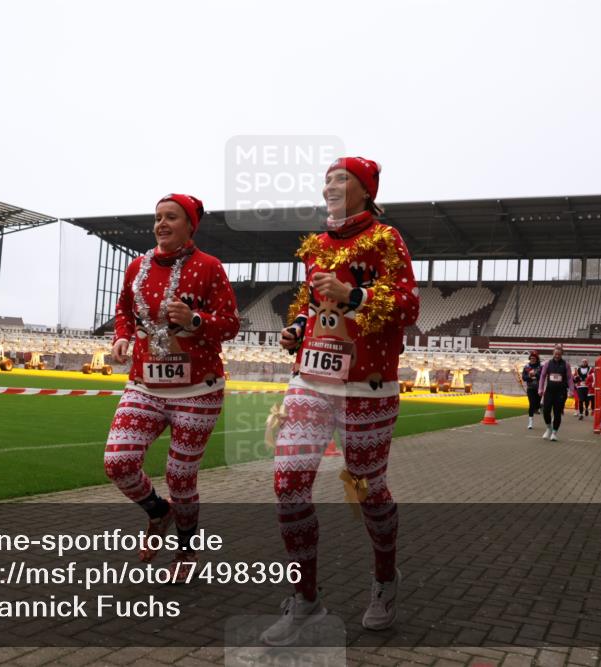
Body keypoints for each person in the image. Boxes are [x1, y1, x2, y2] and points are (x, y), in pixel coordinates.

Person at [262, 156, 420, 645]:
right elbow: (313, 310)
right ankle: (306, 598)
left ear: (365, 189)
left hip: (367, 387)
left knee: (369, 492)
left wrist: (354, 295)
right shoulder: (315, 246)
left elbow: (409, 305)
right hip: (310, 380)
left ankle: (385, 578)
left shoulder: (386, 239)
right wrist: (296, 332)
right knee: (288, 482)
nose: (330, 185)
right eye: (327, 178)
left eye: (341, 178)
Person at [104, 193, 240, 581]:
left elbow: (230, 324)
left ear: (190, 225)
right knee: (118, 462)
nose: (161, 224)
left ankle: (185, 548)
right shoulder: (136, 267)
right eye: (158, 217)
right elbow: (123, 312)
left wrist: (196, 321)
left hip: (198, 389)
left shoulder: (210, 267)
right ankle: (157, 512)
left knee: (181, 477)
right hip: (145, 384)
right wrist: (122, 337)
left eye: (171, 217)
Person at [538, 344, 576, 441]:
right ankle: (548, 428)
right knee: (546, 411)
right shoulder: (547, 364)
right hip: (549, 391)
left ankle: (554, 432)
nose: (557, 356)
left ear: (562, 354)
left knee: (557, 413)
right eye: (556, 354)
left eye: (559, 354)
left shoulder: (566, 365)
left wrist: (571, 390)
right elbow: (542, 376)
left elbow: (569, 378)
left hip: (560, 392)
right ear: (553, 353)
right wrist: (540, 389)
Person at [521, 351, 542, 429]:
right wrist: (530, 377)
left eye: (534, 358)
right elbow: (524, 378)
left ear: (537, 359)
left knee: (537, 404)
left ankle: (539, 407)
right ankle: (530, 422)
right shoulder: (526, 367)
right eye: (531, 358)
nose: (532, 359)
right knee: (531, 404)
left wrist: (535, 375)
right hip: (530, 388)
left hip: (539, 388)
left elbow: (542, 376)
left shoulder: (540, 367)